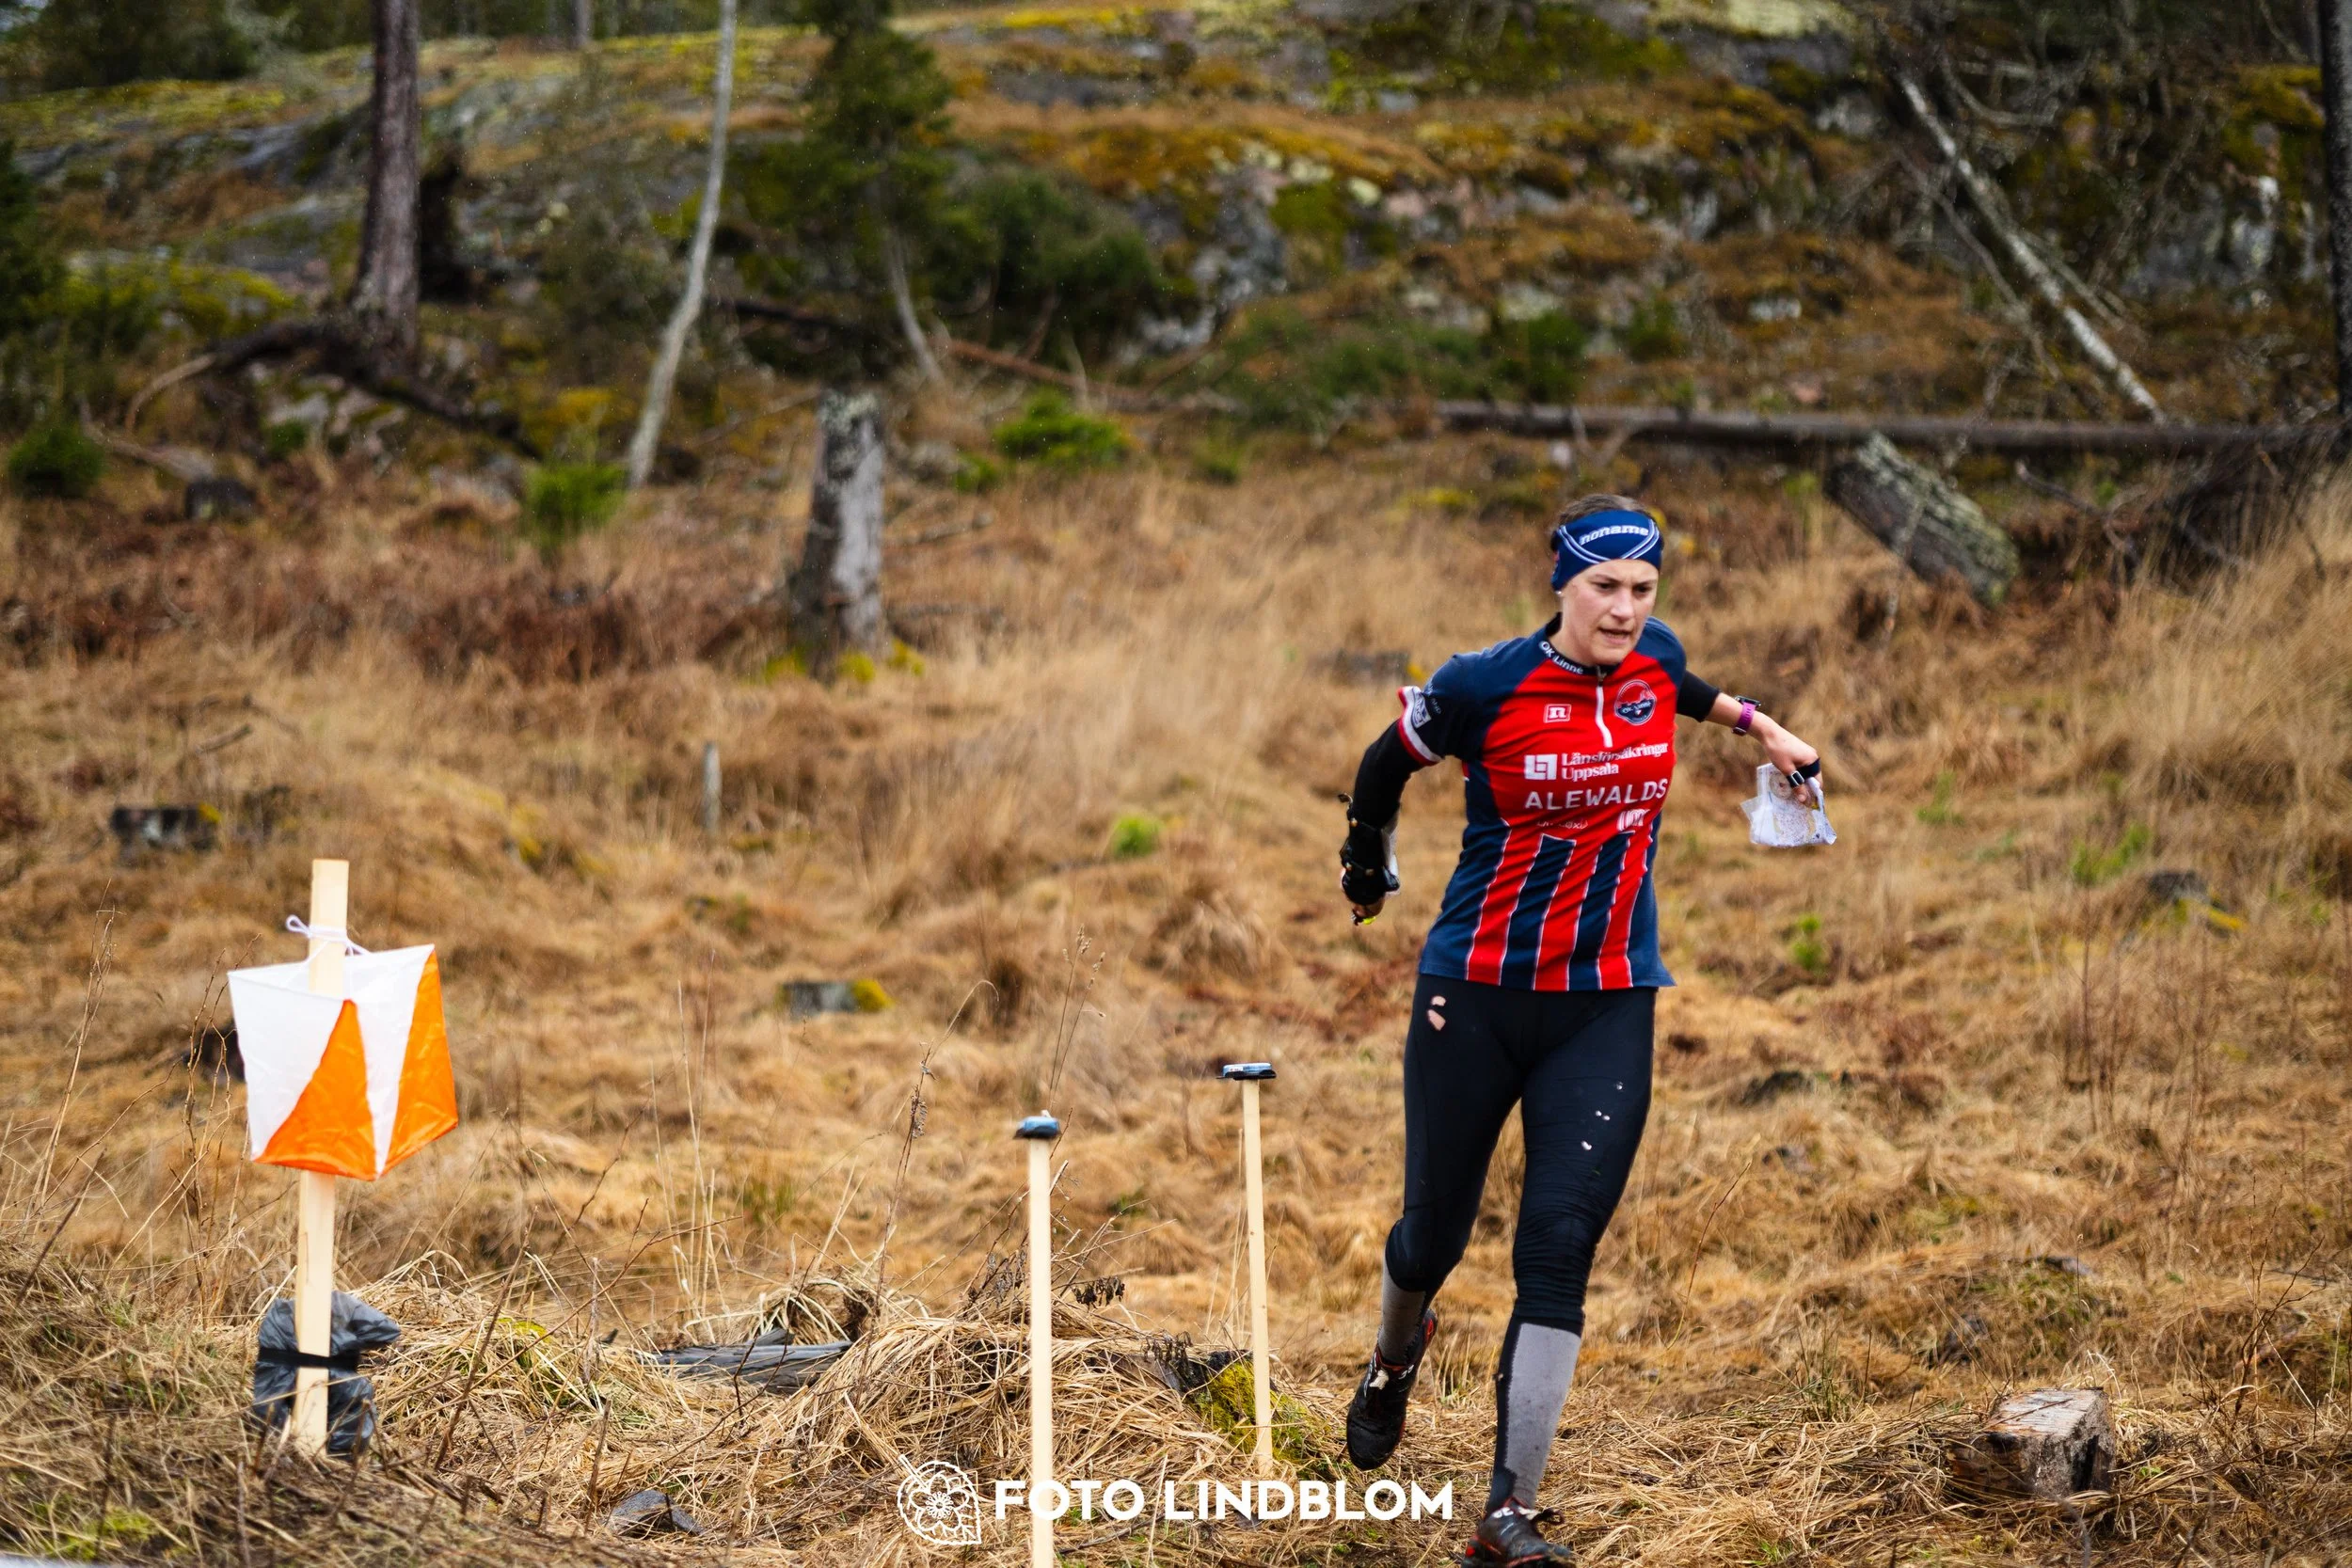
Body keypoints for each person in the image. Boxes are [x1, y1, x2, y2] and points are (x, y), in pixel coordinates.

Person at [1335, 495, 1823, 1565]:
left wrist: (1762, 728)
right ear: (1559, 582)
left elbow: (1683, 689)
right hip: (1475, 990)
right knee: (1431, 1238)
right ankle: (1391, 1358)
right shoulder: (1483, 682)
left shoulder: (1657, 662)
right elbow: (1383, 765)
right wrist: (1365, 855)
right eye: (1604, 588)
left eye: (1643, 590)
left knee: (1556, 1252)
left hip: (1607, 998)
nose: (1626, 611)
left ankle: (1507, 1510)